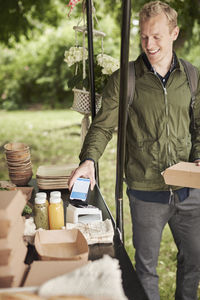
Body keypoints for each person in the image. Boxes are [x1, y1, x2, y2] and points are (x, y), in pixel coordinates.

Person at [68, 1, 200, 299]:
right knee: (146, 270)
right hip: (145, 193)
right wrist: (88, 161)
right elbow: (101, 127)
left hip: (189, 192)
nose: (149, 44)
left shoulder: (192, 77)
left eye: (157, 36)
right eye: (144, 37)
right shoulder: (125, 79)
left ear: (174, 33)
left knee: (194, 262)